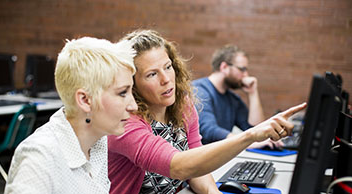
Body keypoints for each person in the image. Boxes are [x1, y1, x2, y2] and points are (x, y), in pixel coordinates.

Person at [107, 29, 306, 194]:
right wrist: (251, 136)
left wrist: (214, 193)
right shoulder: (124, 123)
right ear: (132, 84)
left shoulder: (182, 104)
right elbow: (179, 166)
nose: (166, 79)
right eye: (152, 74)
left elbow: (196, 167)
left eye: (168, 67)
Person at [4, 37, 137, 194]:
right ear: (85, 100)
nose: (133, 106)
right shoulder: (40, 158)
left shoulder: (97, 143)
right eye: (122, 93)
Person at [193, 45, 279, 148]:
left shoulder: (232, 99)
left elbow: (255, 130)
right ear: (224, 67)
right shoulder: (199, 91)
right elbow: (209, 130)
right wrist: (246, 142)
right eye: (242, 69)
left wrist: (253, 93)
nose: (246, 75)